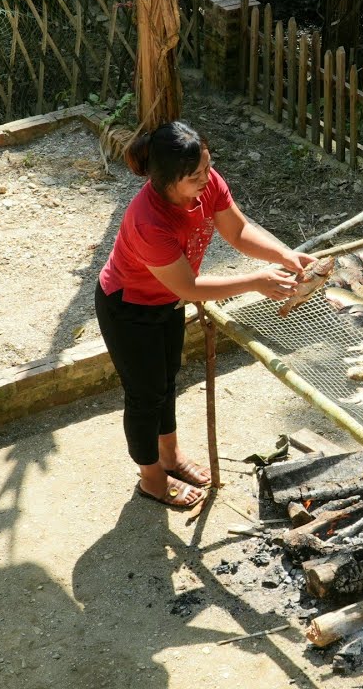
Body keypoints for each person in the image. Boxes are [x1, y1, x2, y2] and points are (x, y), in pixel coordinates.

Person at [95, 121, 315, 508]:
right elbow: (190, 288)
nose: (206, 178)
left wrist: (283, 255)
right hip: (128, 307)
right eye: (196, 175)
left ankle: (171, 455)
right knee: (145, 395)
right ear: (166, 180)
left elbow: (238, 232)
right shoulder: (150, 220)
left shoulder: (207, 182)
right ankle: (152, 479)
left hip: (166, 302)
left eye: (207, 167)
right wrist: (255, 281)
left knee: (167, 381)